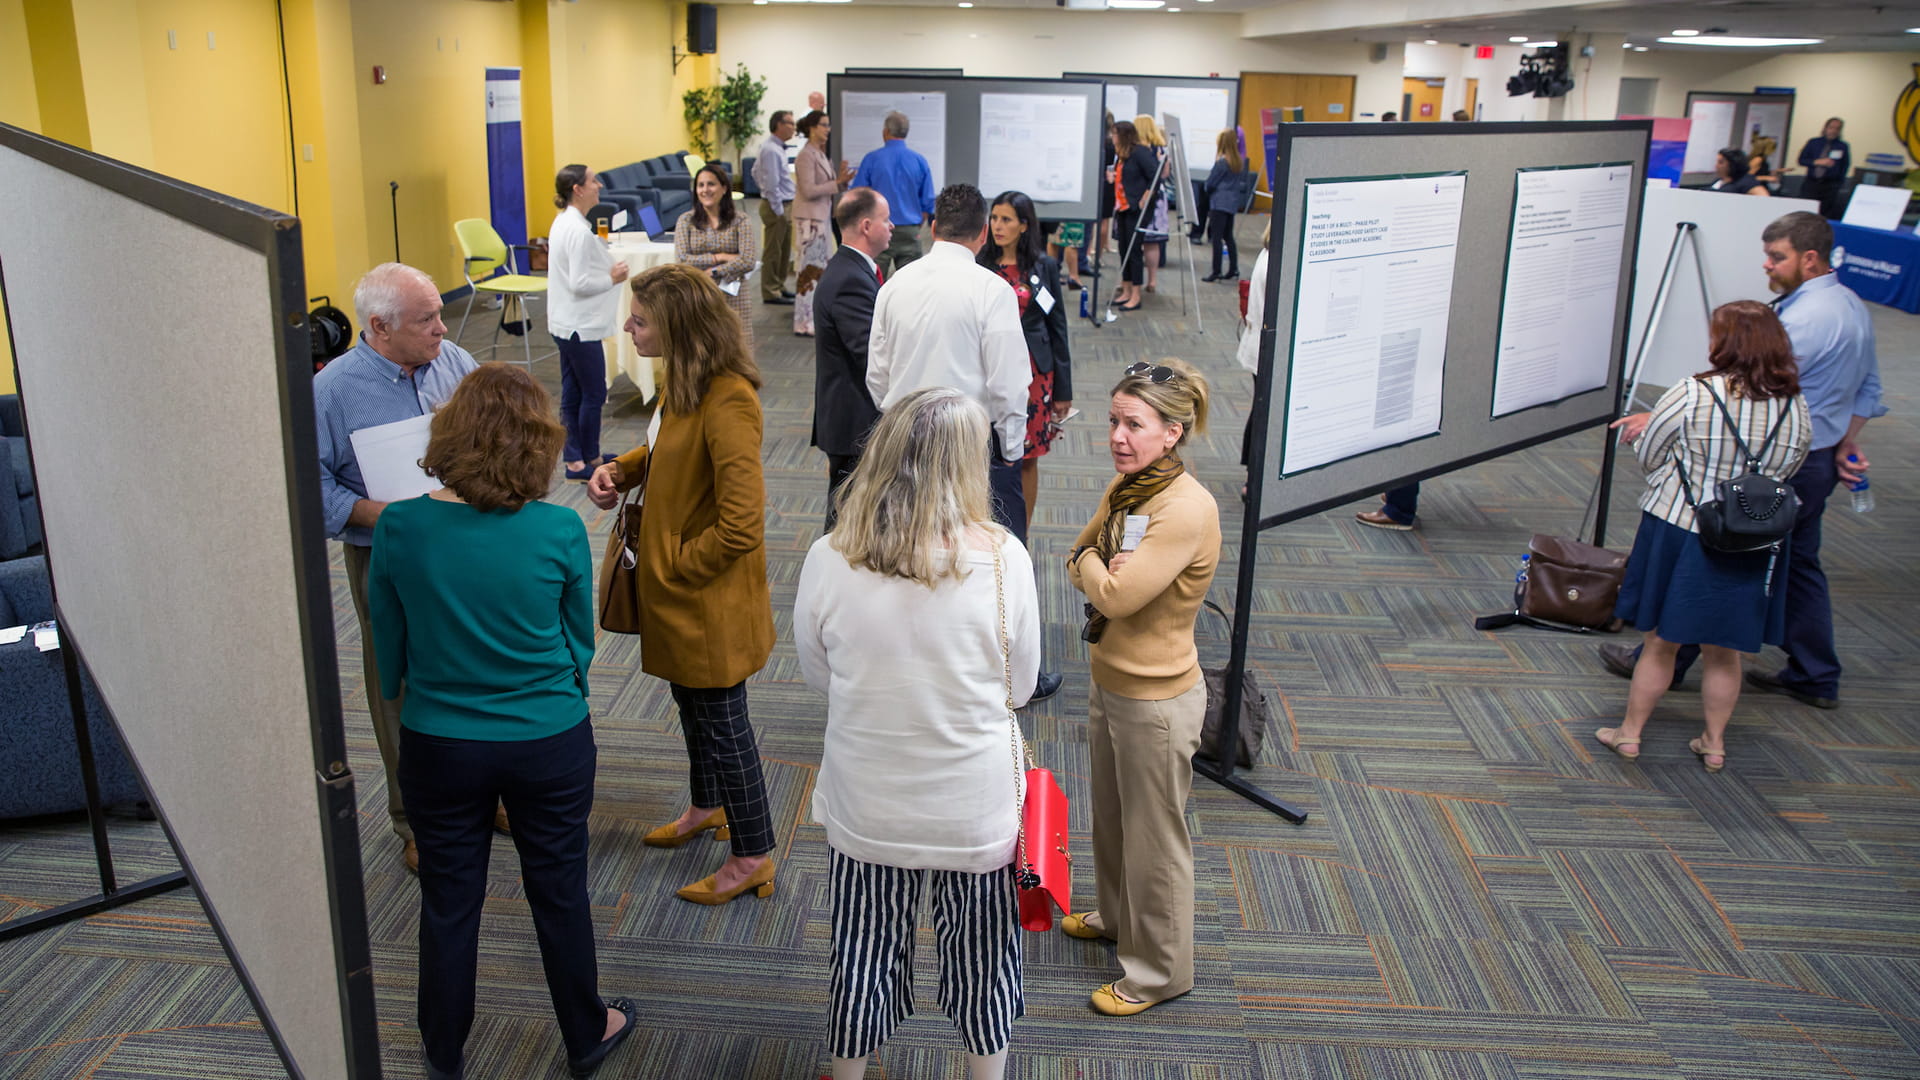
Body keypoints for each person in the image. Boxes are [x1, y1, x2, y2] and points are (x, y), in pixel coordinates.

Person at [368, 363, 636, 1080]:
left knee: (449, 901)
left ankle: (444, 1050)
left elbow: (387, 646)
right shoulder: (556, 528)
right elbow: (578, 639)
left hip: (438, 739)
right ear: (539, 446)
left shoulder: (399, 526)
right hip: (547, 738)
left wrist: (417, 689)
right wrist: (559, 696)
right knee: (559, 890)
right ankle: (586, 1033)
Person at [795, 387, 1037, 1080]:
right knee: (985, 958)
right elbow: (1020, 687)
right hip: (977, 812)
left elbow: (818, 675)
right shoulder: (1005, 560)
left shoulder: (829, 556)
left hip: (866, 803)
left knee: (862, 951)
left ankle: (848, 1072)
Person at [1598, 212, 1885, 708]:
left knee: (1719, 550)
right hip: (1812, 459)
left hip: (1775, 465)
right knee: (1796, 567)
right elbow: (1869, 388)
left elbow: (1751, 393)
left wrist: (1677, 415)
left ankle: (1670, 661)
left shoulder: (1802, 320)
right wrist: (1847, 443)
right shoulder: (1852, 305)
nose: (1767, 265)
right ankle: (1815, 673)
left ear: (1809, 259)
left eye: (1778, 257)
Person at [585, 263, 779, 904]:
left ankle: (753, 851)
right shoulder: (683, 381)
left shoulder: (729, 399)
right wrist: (624, 467)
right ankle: (706, 806)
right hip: (680, 598)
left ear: (677, 325)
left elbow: (741, 524)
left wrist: (672, 566)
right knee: (691, 710)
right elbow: (666, 449)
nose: (628, 328)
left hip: (706, 599)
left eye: (639, 321)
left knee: (725, 723)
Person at [1062, 358, 1221, 1016]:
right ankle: (1120, 918)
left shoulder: (1185, 509)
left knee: (1156, 843)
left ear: (1173, 433)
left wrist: (1099, 569)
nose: (1118, 437)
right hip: (1114, 682)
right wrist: (1099, 565)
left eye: (1134, 424)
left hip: (1157, 701)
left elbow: (1119, 594)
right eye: (1113, 422)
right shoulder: (1130, 489)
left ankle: (1159, 973)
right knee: (1113, 819)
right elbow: (1078, 555)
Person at [314, 262, 481, 875]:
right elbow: (309, 481)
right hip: (388, 554)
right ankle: (414, 819)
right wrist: (376, 514)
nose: (443, 327)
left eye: (440, 313)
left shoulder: (453, 362)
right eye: (427, 319)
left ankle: (478, 796)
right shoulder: (333, 390)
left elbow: (490, 432)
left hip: (467, 542)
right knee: (400, 685)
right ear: (380, 328)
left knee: (474, 667)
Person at [1595, 302, 1811, 772]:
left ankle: (1629, 735)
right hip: (1752, 539)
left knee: (1660, 642)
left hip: (1681, 530)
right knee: (1725, 650)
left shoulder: (1694, 393)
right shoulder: (1794, 403)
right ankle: (1713, 744)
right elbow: (1792, 466)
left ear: (1725, 342)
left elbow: (1650, 453)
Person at [867, 182, 1063, 701]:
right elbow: (1008, 386)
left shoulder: (894, 284)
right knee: (998, 556)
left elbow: (878, 379)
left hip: (904, 443)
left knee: (911, 550)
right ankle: (1016, 672)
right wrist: (1013, 451)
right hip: (972, 448)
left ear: (933, 227)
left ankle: (915, 658)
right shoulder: (991, 291)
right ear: (981, 234)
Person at [980, 190, 1073, 525]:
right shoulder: (980, 264)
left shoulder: (1043, 266)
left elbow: (1057, 326)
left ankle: (1023, 533)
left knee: (1028, 455)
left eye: (1006, 220)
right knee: (987, 453)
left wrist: (1064, 390)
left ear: (1023, 225)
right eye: (994, 218)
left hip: (1035, 376)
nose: (997, 226)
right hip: (989, 370)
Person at [811, 187, 892, 528]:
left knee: (852, 518)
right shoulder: (849, 280)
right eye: (886, 220)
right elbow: (869, 354)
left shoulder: (852, 270)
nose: (892, 227)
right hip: (854, 423)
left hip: (851, 419)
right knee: (846, 524)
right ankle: (827, 581)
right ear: (866, 225)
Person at [546, 165, 631, 482]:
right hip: (579, 326)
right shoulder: (579, 231)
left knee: (573, 393)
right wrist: (612, 277)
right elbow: (581, 283)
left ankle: (575, 460)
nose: (599, 185)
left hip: (564, 323)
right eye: (593, 180)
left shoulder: (564, 222)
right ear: (578, 189)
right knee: (593, 392)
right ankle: (589, 457)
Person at [674, 161, 759, 347]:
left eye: (711, 184)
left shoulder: (740, 220)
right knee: (701, 348)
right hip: (697, 293)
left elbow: (748, 260)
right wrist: (720, 257)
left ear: (724, 188)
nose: (705, 190)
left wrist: (712, 272)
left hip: (733, 294)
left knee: (738, 347)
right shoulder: (685, 221)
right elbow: (682, 260)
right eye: (700, 185)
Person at [851, 109, 938, 276]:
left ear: (885, 132)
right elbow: (927, 202)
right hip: (910, 231)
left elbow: (858, 194)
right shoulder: (919, 161)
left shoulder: (872, 159)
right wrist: (917, 223)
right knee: (911, 284)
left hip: (877, 229)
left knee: (874, 282)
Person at [793, 110, 854, 337]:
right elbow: (809, 191)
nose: (827, 129)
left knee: (819, 270)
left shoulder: (820, 154)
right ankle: (802, 322)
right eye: (823, 125)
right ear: (811, 128)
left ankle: (811, 318)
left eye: (828, 125)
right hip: (809, 221)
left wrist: (841, 182)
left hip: (820, 218)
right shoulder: (806, 155)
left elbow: (828, 187)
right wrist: (836, 183)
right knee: (808, 272)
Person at [1108, 120, 1159, 313]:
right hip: (1121, 207)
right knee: (1123, 249)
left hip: (1136, 209)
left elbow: (1154, 176)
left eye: (1115, 134)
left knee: (1134, 251)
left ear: (1124, 135)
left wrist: (1144, 198)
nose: (1112, 138)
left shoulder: (1140, 152)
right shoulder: (1121, 155)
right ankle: (1126, 289)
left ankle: (1136, 294)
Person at [753, 110, 798, 305]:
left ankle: (779, 286)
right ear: (779, 125)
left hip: (783, 204)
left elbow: (755, 171)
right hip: (777, 206)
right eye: (790, 123)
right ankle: (770, 291)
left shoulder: (775, 147)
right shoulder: (771, 149)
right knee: (773, 250)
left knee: (783, 249)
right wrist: (778, 208)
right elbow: (771, 183)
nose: (793, 128)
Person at [1201, 129, 1252, 283]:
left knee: (1216, 238)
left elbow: (1210, 183)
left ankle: (1216, 271)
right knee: (1228, 237)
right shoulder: (1237, 161)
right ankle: (1233, 268)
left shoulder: (1222, 163)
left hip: (1219, 203)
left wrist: (1206, 189)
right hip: (1231, 204)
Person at [1132, 115, 1171, 294]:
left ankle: (1135, 280)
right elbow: (1164, 175)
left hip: (1142, 197)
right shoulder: (1161, 149)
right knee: (1153, 242)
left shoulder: (1138, 150)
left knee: (1137, 241)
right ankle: (1152, 280)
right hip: (1159, 199)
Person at [1797, 117, 1850, 218]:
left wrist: (1839, 183)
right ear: (1825, 128)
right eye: (1831, 127)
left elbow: (1845, 165)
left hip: (1830, 186)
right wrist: (1817, 162)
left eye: (1837, 128)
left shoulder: (1842, 146)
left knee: (1825, 214)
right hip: (1812, 183)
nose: (1833, 131)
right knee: (1806, 212)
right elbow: (1801, 160)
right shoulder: (1813, 142)